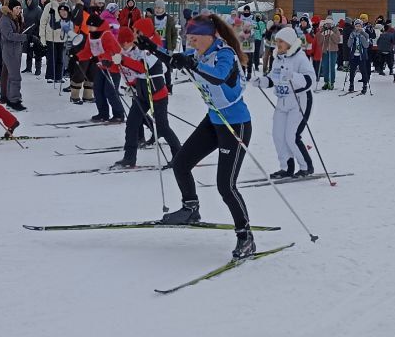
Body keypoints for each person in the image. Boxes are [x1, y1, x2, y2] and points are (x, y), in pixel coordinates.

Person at [141, 14, 257, 260]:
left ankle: (245, 236)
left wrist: (192, 64)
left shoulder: (224, 54)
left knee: (226, 186)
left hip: (235, 125)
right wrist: (152, 48)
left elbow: (219, 76)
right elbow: (176, 60)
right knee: (181, 163)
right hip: (214, 121)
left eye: (194, 39)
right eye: (189, 39)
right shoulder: (200, 54)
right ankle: (191, 208)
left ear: (209, 36)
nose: (191, 44)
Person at [111, 19, 180, 169]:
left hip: (156, 92)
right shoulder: (140, 44)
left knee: (163, 127)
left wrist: (123, 60)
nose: (133, 34)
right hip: (142, 91)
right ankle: (129, 158)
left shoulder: (153, 46)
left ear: (144, 32)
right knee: (132, 123)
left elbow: (143, 68)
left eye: (136, 31)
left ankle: (179, 156)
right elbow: (129, 58)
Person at [256, 25, 316, 178]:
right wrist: (261, 81)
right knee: (278, 136)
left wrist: (293, 76)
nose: (278, 45)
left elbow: (311, 81)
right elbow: (272, 79)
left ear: (289, 42)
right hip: (282, 102)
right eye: (277, 42)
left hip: (299, 101)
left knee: (291, 136)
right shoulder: (278, 59)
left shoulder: (300, 58)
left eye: (281, 42)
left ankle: (305, 167)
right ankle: (286, 167)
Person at [0, 0, 28, 112]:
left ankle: (12, 99)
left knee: (12, 75)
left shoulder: (15, 19)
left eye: (20, 8)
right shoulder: (5, 19)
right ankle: (14, 100)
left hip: (16, 50)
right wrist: (24, 37)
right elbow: (8, 35)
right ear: (11, 9)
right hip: (9, 50)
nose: (19, 10)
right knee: (15, 76)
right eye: (16, 8)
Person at [40, 0, 70, 82]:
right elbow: (43, 21)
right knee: (52, 57)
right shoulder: (49, 6)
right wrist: (42, 37)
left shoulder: (66, 7)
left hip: (62, 37)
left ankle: (58, 76)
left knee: (60, 58)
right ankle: (50, 76)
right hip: (51, 36)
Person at [345, 19, 373, 94]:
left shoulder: (365, 34)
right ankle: (351, 85)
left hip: (361, 56)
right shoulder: (352, 34)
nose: (358, 27)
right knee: (352, 71)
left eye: (359, 26)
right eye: (356, 26)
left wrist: (361, 37)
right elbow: (349, 45)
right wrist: (351, 38)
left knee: (363, 71)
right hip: (353, 56)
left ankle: (364, 85)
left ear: (361, 26)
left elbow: (366, 45)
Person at [316, 17, 341, 90]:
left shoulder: (336, 30)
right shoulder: (323, 30)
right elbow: (319, 41)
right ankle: (326, 82)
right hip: (325, 51)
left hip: (333, 51)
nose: (328, 25)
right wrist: (322, 34)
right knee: (325, 67)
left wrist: (332, 34)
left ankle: (331, 82)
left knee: (331, 67)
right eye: (327, 23)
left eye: (330, 23)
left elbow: (337, 40)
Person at [23, 0, 44, 76]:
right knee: (28, 51)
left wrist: (38, 33)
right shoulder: (25, 10)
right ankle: (28, 67)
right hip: (27, 33)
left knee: (37, 52)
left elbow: (41, 23)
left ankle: (38, 69)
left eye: (30, 0)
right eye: (27, 0)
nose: (28, 1)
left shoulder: (38, 10)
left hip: (36, 34)